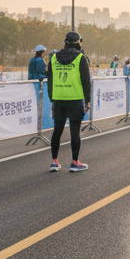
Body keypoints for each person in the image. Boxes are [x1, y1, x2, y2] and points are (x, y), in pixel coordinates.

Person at [46, 31, 92, 172]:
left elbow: (50, 80)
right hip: (75, 99)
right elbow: (86, 81)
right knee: (74, 132)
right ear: (78, 43)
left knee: (57, 131)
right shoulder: (81, 58)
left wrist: (52, 99)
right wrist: (88, 100)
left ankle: (54, 162)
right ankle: (75, 162)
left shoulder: (54, 57)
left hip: (59, 99)